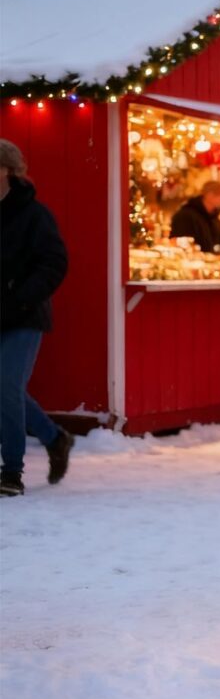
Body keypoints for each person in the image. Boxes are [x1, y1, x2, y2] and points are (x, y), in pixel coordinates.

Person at [0, 139, 74, 497]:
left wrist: (23, 296)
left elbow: (54, 263)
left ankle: (11, 471)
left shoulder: (34, 215)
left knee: (5, 385)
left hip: (25, 315)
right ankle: (54, 438)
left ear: (10, 173)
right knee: (5, 389)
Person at [169, 180, 220, 253]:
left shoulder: (213, 217)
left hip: (212, 261)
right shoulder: (186, 215)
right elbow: (178, 243)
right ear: (210, 195)